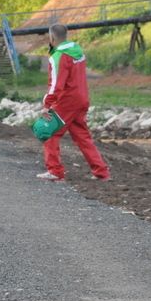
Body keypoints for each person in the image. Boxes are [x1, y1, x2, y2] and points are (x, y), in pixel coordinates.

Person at [38, 23, 110, 182]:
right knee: (83, 137)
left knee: (47, 130)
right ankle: (101, 172)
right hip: (82, 98)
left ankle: (55, 171)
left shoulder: (58, 56)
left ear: (51, 38)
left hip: (67, 101)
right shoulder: (77, 52)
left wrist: (47, 105)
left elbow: (56, 84)